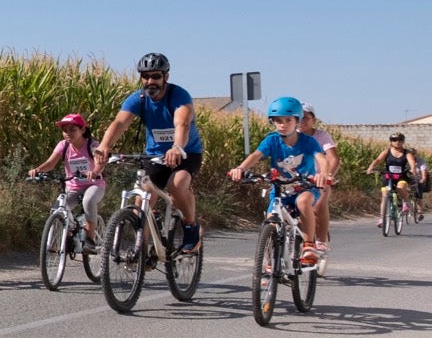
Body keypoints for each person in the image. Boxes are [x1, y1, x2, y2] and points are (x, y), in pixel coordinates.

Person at [93, 52, 205, 253]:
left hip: (186, 152)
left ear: (166, 77)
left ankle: (191, 227)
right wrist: (104, 146)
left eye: (155, 76)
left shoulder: (179, 96)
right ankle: (141, 251)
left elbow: (182, 123)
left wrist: (177, 147)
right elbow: (120, 122)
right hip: (154, 155)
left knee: (176, 185)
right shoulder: (139, 99)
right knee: (142, 199)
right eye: (145, 76)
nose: (150, 81)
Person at [227, 96, 325, 265]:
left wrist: (323, 173)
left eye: (288, 120)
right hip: (280, 190)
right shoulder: (272, 140)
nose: (283, 124)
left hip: (305, 187)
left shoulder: (308, 141)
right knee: (271, 220)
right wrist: (241, 169)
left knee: (303, 203)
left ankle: (309, 245)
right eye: (278, 121)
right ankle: (268, 263)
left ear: (297, 121)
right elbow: (256, 155)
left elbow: (321, 158)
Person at [27, 112, 106, 253]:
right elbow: (51, 163)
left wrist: (94, 172)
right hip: (73, 186)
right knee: (57, 209)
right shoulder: (63, 146)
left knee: (88, 201)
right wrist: (38, 170)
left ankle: (90, 239)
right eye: (65, 130)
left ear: (82, 130)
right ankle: (65, 239)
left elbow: (100, 163)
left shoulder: (92, 144)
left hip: (94, 184)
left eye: (72, 130)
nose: (68, 133)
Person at [298, 103, 340, 260]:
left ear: (313, 119)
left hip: (317, 177)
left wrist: (327, 175)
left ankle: (321, 240)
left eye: (306, 118)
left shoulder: (321, 136)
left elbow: (333, 158)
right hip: (297, 177)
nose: (302, 121)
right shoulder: (291, 135)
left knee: (318, 205)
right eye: (299, 117)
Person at [366, 133, 421, 227]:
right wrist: (371, 167)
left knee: (400, 188)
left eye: (400, 140)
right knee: (384, 196)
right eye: (394, 140)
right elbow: (378, 160)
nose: (397, 142)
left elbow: (411, 162)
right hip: (389, 177)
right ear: (391, 142)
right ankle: (382, 218)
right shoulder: (387, 151)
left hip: (401, 176)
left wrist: (413, 169)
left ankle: (405, 203)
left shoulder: (407, 153)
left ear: (403, 141)